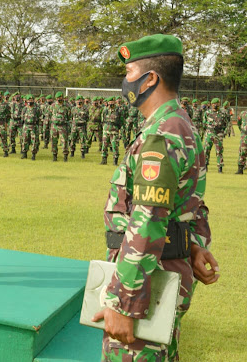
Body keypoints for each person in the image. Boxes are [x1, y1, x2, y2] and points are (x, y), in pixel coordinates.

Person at [92, 34, 219, 360]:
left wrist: (124, 302)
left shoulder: (163, 134)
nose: (126, 81)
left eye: (130, 72)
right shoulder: (177, 124)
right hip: (161, 269)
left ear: (150, 79)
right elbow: (187, 205)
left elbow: (148, 219)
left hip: (147, 283)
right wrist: (193, 246)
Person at [236, 108, 247, 175]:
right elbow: (238, 122)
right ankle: (240, 169)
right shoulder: (243, 113)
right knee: (242, 151)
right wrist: (242, 130)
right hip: (245, 135)